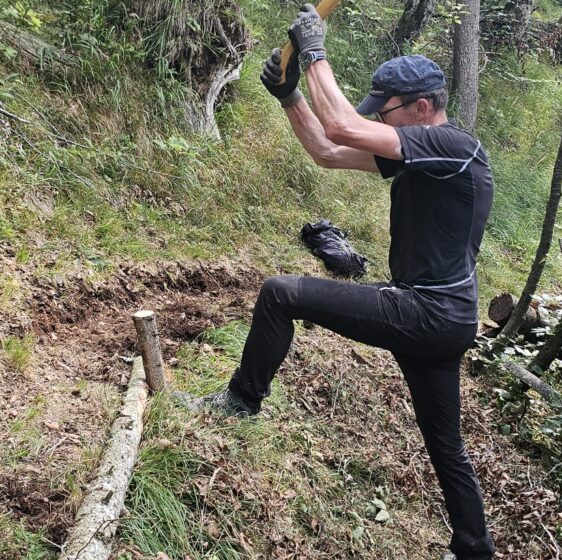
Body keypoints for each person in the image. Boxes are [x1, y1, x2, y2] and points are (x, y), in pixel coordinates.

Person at [186, 4, 496, 560]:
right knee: (446, 445)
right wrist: (289, 97)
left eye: (388, 111)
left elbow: (343, 126)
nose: (381, 121)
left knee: (280, 293)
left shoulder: (454, 147)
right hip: (444, 318)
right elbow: (329, 151)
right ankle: (475, 549)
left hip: (427, 311)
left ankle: (240, 401)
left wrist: (313, 50)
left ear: (422, 108)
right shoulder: (422, 156)